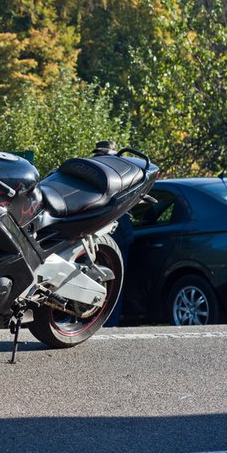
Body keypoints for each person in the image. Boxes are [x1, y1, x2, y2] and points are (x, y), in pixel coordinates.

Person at [92, 140, 134, 327]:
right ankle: (106, 323)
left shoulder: (96, 169)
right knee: (111, 282)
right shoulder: (120, 171)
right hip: (112, 235)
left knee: (108, 281)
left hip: (107, 235)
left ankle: (102, 323)